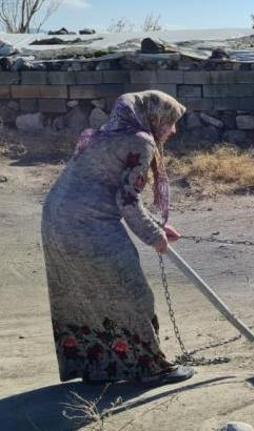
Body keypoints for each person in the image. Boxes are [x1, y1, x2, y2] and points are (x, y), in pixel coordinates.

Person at [41, 90, 195, 385]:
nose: (173, 130)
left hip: (55, 221)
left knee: (85, 295)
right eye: (171, 122)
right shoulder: (140, 140)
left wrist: (157, 228)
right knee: (132, 292)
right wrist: (154, 236)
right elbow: (127, 201)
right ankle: (151, 369)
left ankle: (98, 368)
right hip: (88, 226)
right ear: (155, 117)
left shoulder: (104, 134)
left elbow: (115, 193)